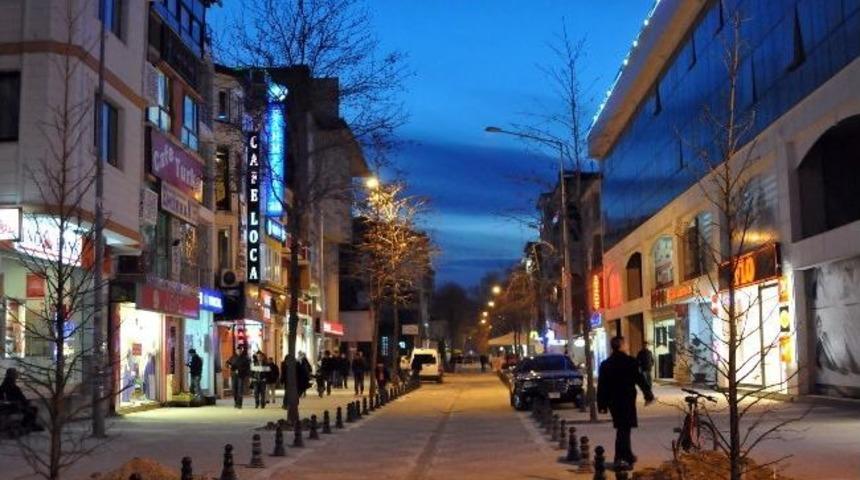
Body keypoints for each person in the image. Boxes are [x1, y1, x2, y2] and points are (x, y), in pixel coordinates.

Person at [597, 336, 655, 467]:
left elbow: (602, 386)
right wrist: (648, 395)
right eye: (626, 343)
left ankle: (627, 456)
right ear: (621, 345)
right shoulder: (630, 362)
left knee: (622, 428)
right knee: (624, 429)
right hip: (627, 400)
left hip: (613, 402)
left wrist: (602, 405)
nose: (627, 345)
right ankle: (622, 458)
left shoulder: (606, 364)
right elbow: (640, 380)